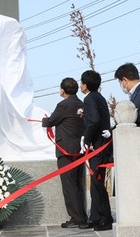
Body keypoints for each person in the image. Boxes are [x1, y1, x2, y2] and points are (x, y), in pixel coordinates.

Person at [41, 78, 88, 229]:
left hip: (66, 151)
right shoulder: (82, 104)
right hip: (80, 150)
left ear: (63, 90)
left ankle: (76, 218)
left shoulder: (63, 105)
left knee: (69, 186)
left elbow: (50, 121)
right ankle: (82, 216)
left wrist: (43, 120)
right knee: (78, 185)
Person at [79, 70, 113, 231]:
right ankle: (95, 217)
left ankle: (106, 219)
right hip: (101, 145)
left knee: (97, 183)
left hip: (98, 148)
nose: (80, 85)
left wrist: (85, 139)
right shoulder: (99, 97)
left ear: (85, 85)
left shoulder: (89, 98)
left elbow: (94, 120)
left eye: (81, 82)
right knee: (94, 184)